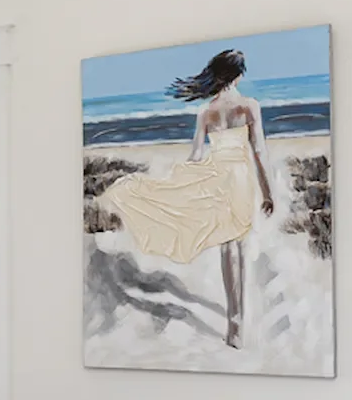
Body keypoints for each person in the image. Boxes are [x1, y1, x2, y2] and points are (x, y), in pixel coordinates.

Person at [100, 48, 275, 348]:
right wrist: (267, 191)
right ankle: (238, 319)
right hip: (239, 179)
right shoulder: (249, 106)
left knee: (227, 245)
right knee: (238, 244)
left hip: (216, 176)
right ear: (238, 75)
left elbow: (196, 155)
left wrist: (182, 181)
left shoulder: (206, 111)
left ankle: (234, 323)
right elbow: (259, 150)